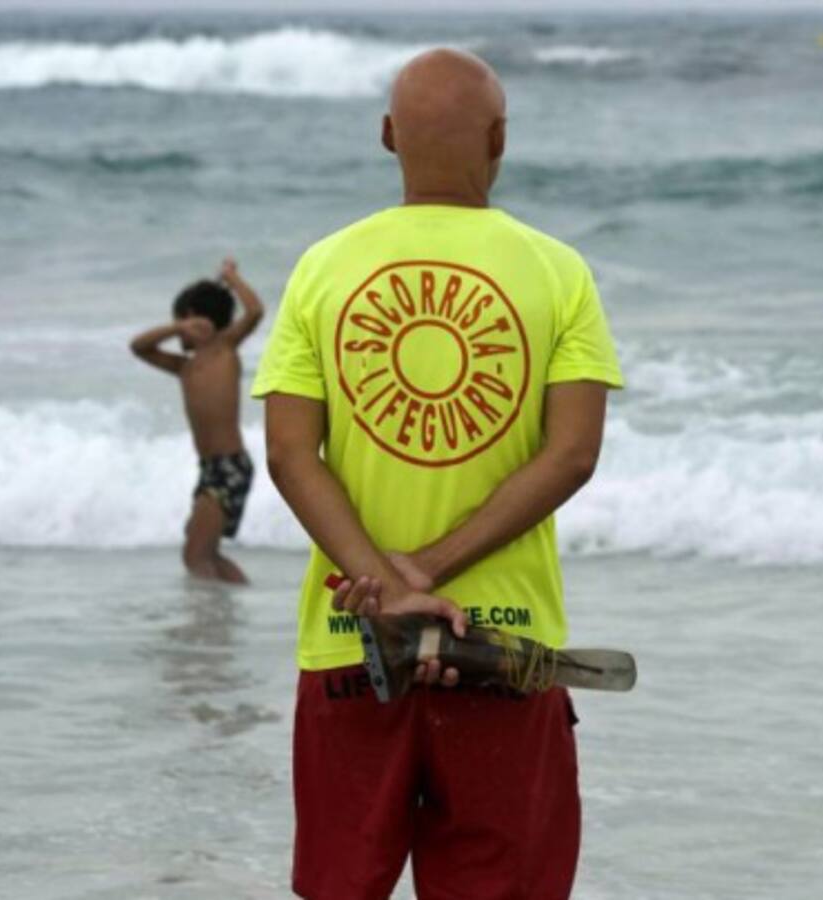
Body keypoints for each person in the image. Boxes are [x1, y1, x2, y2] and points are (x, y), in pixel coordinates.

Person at [254, 48, 623, 900]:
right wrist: (429, 573)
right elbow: (571, 454)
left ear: (388, 137)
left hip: (352, 645)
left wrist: (384, 584)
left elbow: (286, 453)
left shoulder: (322, 269)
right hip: (500, 652)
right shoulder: (557, 272)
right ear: (500, 139)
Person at [130, 258, 263, 583]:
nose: (179, 333)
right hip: (210, 470)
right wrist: (176, 328)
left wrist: (232, 279)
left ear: (194, 317)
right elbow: (139, 347)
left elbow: (255, 312)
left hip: (230, 467)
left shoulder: (225, 349)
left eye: (180, 320)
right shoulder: (184, 366)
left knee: (195, 554)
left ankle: (211, 619)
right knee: (205, 551)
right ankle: (238, 600)